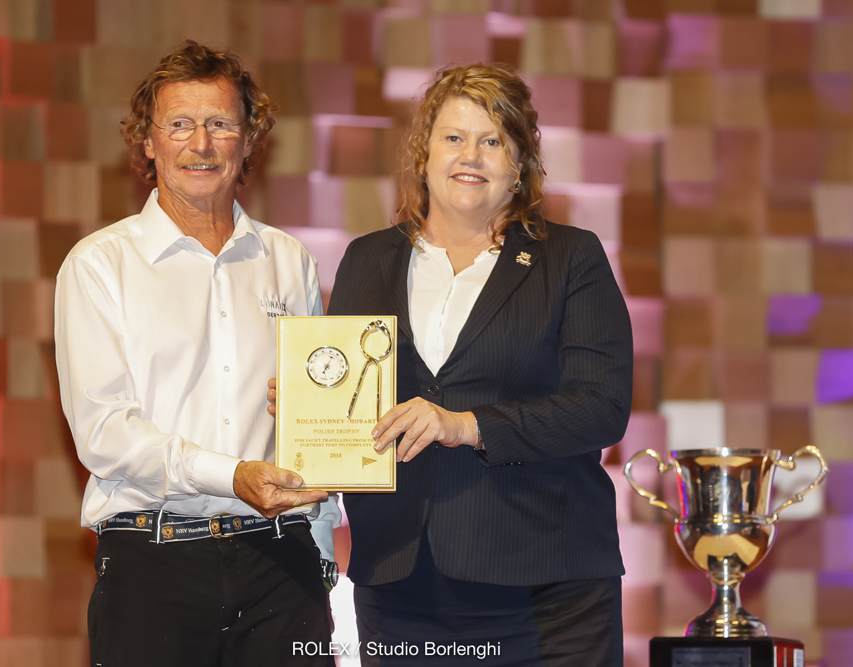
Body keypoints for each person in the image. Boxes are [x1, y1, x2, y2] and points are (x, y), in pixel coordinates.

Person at [329, 64, 633, 665]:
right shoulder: (365, 260)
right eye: (453, 137)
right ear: (423, 154)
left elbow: (602, 408)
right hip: (400, 580)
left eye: (493, 140)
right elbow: (350, 400)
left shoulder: (571, 258)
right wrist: (309, 407)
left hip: (547, 588)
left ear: (519, 164)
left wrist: (465, 424)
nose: (471, 154)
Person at [54, 41, 339, 667]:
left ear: (247, 141)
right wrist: (229, 474)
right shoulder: (101, 265)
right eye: (180, 124)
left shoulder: (290, 263)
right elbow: (105, 432)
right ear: (148, 142)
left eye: (220, 124)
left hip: (282, 567)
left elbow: (316, 429)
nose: (201, 144)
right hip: (152, 568)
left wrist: (323, 560)